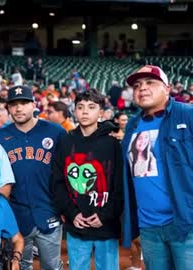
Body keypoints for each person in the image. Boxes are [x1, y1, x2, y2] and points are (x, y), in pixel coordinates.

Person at [122, 65, 193, 269]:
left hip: (185, 224)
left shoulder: (188, 115)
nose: (142, 88)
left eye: (150, 83)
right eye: (137, 85)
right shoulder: (132, 126)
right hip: (148, 227)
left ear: (167, 88)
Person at [0, 85, 66, 270]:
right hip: (16, 214)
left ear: (34, 105)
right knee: (20, 265)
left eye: (24, 103)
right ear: (8, 108)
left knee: (51, 266)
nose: (18, 108)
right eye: (14, 104)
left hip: (48, 210)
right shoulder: (1, 136)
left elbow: (66, 171)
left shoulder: (55, 131)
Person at [51, 89, 124, 270]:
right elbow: (57, 182)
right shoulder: (66, 142)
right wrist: (72, 213)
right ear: (74, 111)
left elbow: (119, 186)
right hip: (77, 223)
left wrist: (105, 215)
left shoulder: (112, 144)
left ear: (101, 112)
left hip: (106, 225)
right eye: (80, 107)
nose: (85, 111)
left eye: (91, 107)